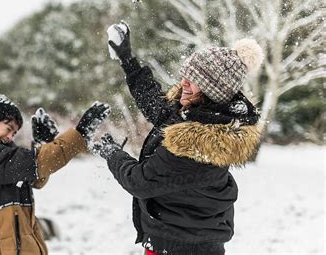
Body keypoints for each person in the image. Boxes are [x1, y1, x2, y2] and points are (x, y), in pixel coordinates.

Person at [91, 22, 264, 255]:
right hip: (186, 242)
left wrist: (113, 153)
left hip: (178, 247)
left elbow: (140, 182)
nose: (183, 82)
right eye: (185, 75)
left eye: (192, 80)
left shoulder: (197, 143)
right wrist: (128, 61)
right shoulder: (204, 118)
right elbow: (156, 106)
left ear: (212, 90)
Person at [0, 81, 110, 255]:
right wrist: (80, 133)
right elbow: (37, 163)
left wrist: (43, 144)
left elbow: (35, 178)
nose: (10, 137)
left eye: (14, 133)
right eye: (8, 128)